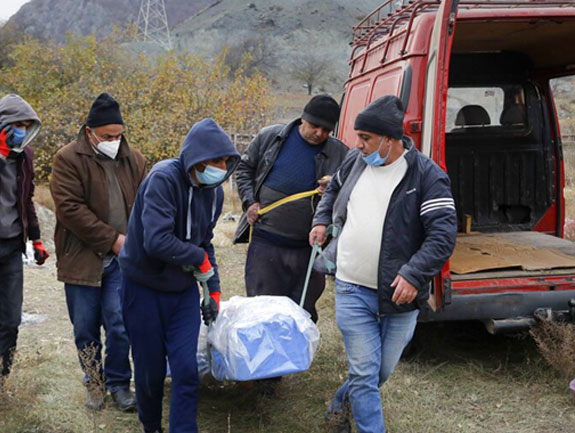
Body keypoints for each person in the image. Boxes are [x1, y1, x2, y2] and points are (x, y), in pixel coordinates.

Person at [310, 95, 457, 433]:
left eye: (365, 138)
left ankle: (339, 404)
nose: (357, 144)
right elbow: (333, 192)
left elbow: (442, 236)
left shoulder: (427, 176)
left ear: (390, 139)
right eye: (357, 137)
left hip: (400, 294)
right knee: (364, 371)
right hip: (350, 285)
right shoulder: (355, 161)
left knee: (379, 372)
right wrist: (321, 221)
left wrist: (413, 274)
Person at [119, 118, 239, 433]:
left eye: (226, 161)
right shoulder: (163, 179)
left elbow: (204, 243)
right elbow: (156, 241)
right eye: (216, 161)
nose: (221, 167)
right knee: (150, 371)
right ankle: (151, 426)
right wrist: (197, 257)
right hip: (142, 289)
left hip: (182, 293)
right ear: (196, 157)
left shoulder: (213, 193)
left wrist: (212, 291)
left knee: (186, 370)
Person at [50, 93, 145, 411]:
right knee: (85, 326)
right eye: (107, 137)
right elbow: (69, 209)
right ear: (89, 131)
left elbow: (146, 204)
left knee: (120, 322)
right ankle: (94, 382)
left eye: (119, 136)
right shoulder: (67, 158)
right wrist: (112, 239)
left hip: (123, 260)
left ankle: (119, 383)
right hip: (83, 258)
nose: (114, 142)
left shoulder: (134, 159)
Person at [234, 94, 348, 322]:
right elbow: (244, 169)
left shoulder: (340, 153)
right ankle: (262, 356)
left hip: (309, 248)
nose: (320, 134)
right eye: (315, 126)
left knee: (302, 311)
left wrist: (335, 185)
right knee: (262, 308)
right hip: (266, 242)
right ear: (302, 119)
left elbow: (351, 188)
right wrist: (249, 201)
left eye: (327, 130)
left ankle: (296, 356)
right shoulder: (271, 137)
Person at [0, 94, 48, 383]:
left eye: (27, 125)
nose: (22, 130)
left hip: (12, 245)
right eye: (18, 124)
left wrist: (37, 239)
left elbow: (27, 198)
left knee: (11, 318)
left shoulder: (24, 155)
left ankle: (3, 379)